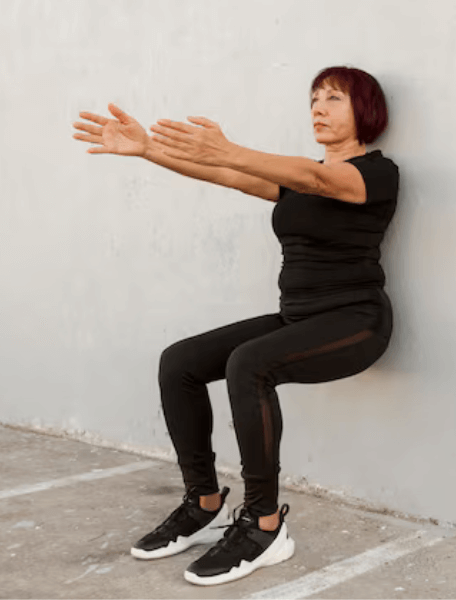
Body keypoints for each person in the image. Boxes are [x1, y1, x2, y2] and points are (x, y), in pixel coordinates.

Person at [71, 65, 399, 586]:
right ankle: (203, 504)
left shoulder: (377, 173)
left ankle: (266, 525)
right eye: (314, 98)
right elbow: (223, 173)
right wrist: (148, 150)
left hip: (356, 322)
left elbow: (318, 178)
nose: (318, 106)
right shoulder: (294, 180)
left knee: (249, 363)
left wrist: (228, 148)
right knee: (180, 362)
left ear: (367, 110)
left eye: (333, 98)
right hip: (298, 318)